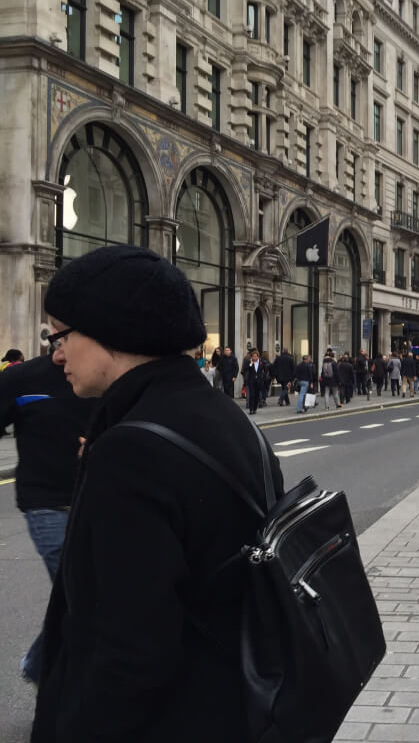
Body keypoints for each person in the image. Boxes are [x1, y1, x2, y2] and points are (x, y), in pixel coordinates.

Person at [32, 244, 284, 743]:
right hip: (226, 703)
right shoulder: (225, 418)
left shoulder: (130, 452)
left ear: (113, 330)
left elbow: (129, 652)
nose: (55, 353)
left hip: (170, 718)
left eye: (60, 334)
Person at [0, 351, 96, 685]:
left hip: (97, 500)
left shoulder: (103, 375)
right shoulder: (22, 378)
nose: (60, 350)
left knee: (84, 596)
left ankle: (39, 666)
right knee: (79, 593)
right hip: (45, 504)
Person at [242, 349, 269, 415]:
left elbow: (266, 370)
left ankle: (254, 409)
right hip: (251, 381)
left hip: (259, 381)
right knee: (252, 395)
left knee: (257, 396)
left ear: (258, 356)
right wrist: (250, 364)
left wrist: (263, 376)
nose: (254, 358)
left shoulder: (261, 362)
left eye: (255, 356)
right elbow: (245, 369)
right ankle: (251, 409)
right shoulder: (250, 362)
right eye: (253, 356)